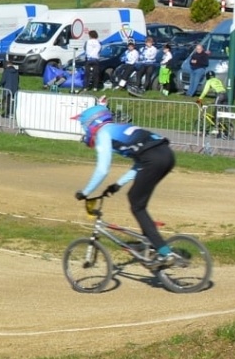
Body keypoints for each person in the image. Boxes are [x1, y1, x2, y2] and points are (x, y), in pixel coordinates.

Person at [75, 101, 178, 260]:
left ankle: (163, 252)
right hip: (167, 155)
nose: (85, 130)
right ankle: (150, 244)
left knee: (136, 204)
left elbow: (102, 169)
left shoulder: (103, 133)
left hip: (154, 159)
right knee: (138, 200)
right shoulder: (119, 128)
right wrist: (118, 184)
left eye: (84, 126)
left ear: (92, 123)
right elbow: (140, 163)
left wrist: (85, 192)